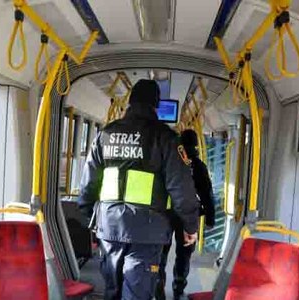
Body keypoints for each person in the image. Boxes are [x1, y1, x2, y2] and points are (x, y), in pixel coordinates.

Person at [78, 79, 200, 300]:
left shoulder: (105, 134)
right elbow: (181, 188)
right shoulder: (167, 138)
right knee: (137, 293)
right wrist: (190, 226)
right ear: (156, 104)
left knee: (111, 291)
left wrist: (93, 220)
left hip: (110, 227)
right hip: (148, 232)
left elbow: (88, 185)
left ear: (130, 101)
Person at [156, 129, 216, 300]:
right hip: (189, 217)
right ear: (197, 145)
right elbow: (207, 194)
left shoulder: (169, 163)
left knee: (161, 253)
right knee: (184, 255)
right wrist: (210, 218)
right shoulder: (198, 166)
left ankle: (158, 287)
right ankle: (178, 288)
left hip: (166, 214)